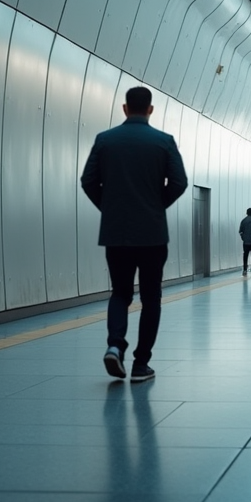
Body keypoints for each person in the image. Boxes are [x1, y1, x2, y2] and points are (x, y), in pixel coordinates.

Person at [81, 86, 187, 383]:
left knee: (121, 292)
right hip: (153, 234)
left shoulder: (105, 140)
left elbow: (88, 181)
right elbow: (179, 182)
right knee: (151, 297)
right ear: (150, 109)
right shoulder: (164, 142)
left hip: (117, 233)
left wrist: (110, 208)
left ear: (125, 108)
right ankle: (141, 365)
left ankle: (115, 346)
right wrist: (156, 205)